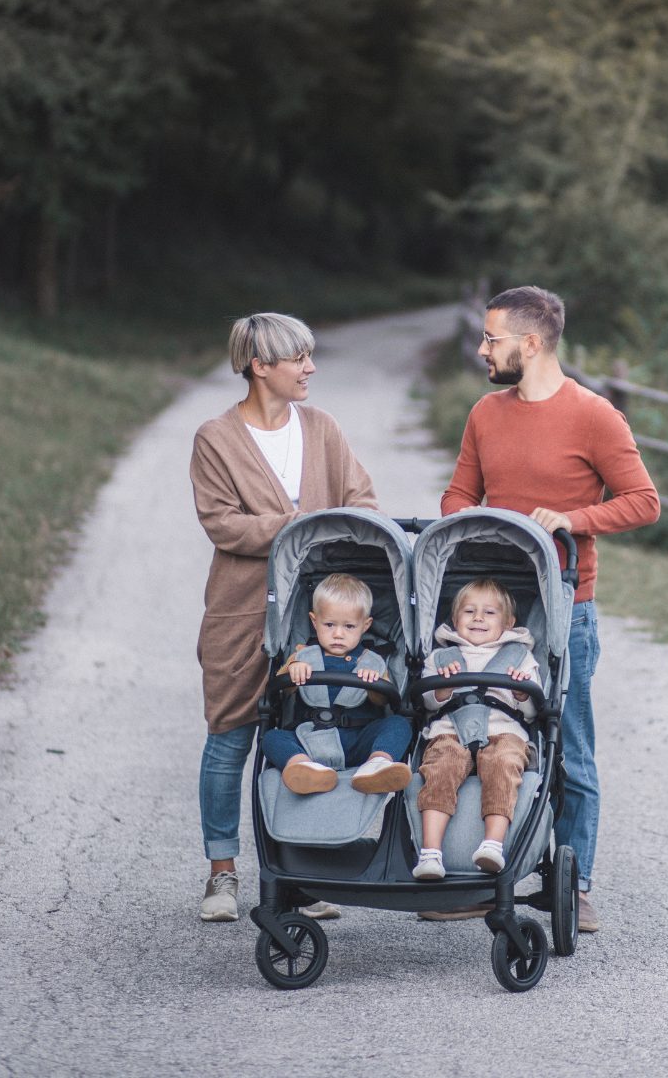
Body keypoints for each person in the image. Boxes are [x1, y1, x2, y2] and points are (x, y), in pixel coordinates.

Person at [434, 285, 660, 931]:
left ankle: (575, 882)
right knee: (477, 733)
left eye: (491, 339)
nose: (481, 349)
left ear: (530, 344)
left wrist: (572, 518)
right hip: (492, 611)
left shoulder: (595, 416)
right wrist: (472, 524)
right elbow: (458, 494)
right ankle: (482, 872)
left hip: (566, 610)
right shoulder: (485, 412)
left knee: (569, 747)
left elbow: (644, 500)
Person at [191, 312, 378, 923]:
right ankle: (222, 874)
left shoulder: (322, 428)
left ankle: (303, 871)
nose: (311, 368)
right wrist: (302, 526)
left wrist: (331, 532)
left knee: (311, 733)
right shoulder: (215, 439)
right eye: (298, 358)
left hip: (320, 615)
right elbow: (222, 523)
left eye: (310, 356)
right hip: (242, 612)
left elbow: (363, 504)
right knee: (231, 738)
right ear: (259, 366)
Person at [412, 578, 540, 880]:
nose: (478, 618)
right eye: (469, 611)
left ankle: (492, 844)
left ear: (508, 623)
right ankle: (430, 852)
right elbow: (428, 703)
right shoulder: (440, 657)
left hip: (503, 731)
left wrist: (522, 693)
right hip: (450, 730)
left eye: (489, 613)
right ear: (455, 620)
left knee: (503, 765)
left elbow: (534, 711)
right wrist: (443, 689)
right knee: (440, 767)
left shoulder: (521, 657)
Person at [261, 573, 412, 795]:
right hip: (309, 738)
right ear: (314, 622)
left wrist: (374, 684)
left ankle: (377, 763)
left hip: (358, 740)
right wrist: (292, 669)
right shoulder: (304, 655)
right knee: (272, 738)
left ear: (365, 625)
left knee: (399, 724)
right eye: (329, 624)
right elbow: (285, 688)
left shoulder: (371, 661)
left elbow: (385, 700)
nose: (338, 634)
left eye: (349, 626)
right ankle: (302, 767)